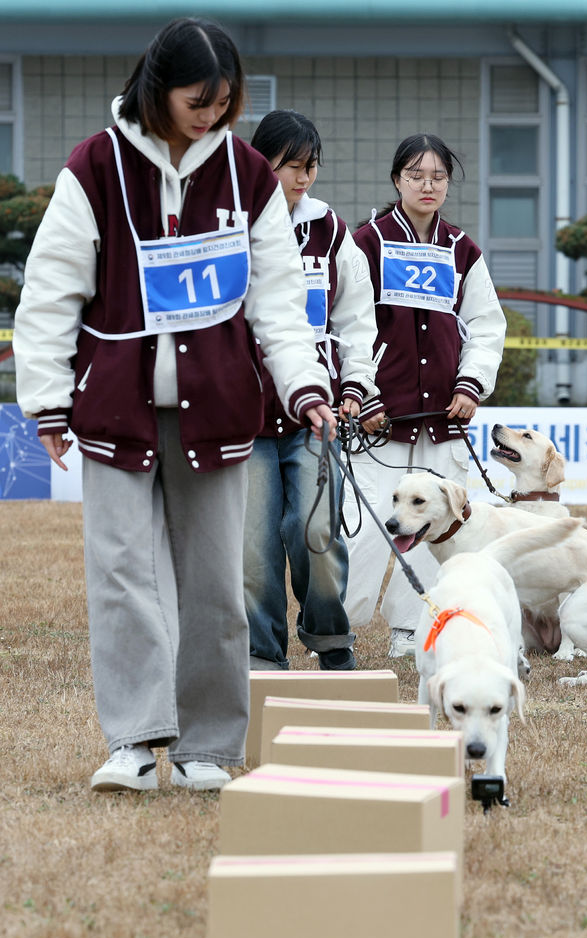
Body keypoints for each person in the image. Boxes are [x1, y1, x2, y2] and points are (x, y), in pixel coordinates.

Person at [12, 18, 336, 792]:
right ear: (159, 88)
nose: (212, 115)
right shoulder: (94, 167)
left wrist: (305, 385)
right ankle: (133, 739)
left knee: (217, 585)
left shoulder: (251, 175)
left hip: (220, 410)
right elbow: (52, 289)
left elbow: (279, 302)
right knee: (120, 573)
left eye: (225, 102)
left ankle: (209, 747)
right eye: (199, 99)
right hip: (116, 409)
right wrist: (49, 401)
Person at [344, 133, 507, 658]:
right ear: (397, 180)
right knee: (365, 525)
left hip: (442, 420)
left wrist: (471, 384)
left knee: (435, 531)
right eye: (416, 175)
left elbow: (485, 325)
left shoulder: (462, 249)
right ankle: (336, 630)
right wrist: (360, 393)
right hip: (379, 423)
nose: (428, 185)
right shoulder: (364, 243)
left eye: (439, 176)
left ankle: (412, 630)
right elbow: (345, 324)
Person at [244, 109, 380, 672]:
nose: (303, 178)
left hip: (315, 416)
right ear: (261, 164)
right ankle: (262, 656)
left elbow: (356, 319)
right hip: (244, 418)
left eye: (311, 166)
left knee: (316, 532)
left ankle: (330, 642)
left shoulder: (332, 231)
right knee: (252, 551)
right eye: (291, 166)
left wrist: (355, 386)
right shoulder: (230, 225)